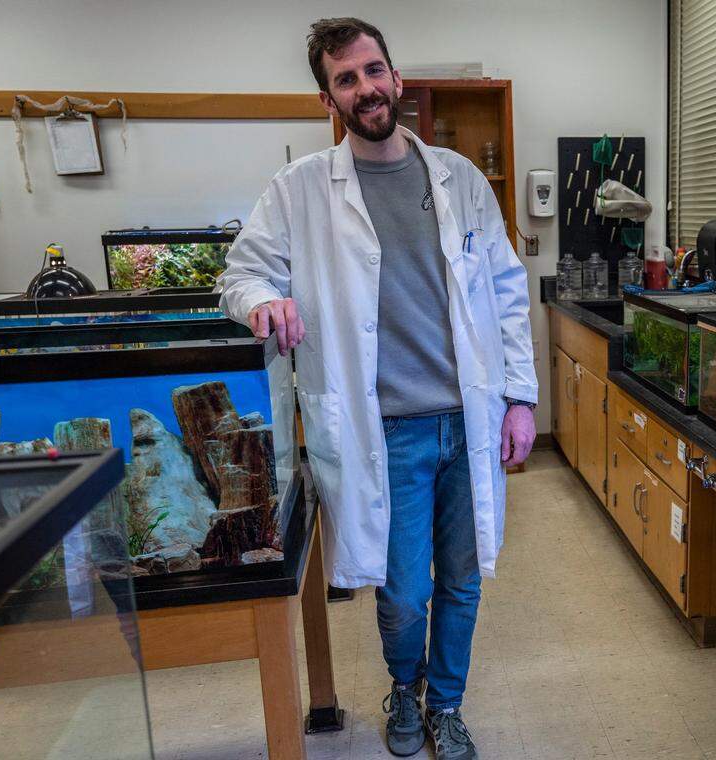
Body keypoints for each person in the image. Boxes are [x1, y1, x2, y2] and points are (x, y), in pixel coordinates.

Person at [218, 17, 537, 759]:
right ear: (328, 99)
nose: (365, 88)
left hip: (470, 418)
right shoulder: (300, 190)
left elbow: (506, 292)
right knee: (401, 595)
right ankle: (405, 687)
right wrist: (263, 301)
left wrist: (521, 398)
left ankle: (446, 704)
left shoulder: (458, 178)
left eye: (372, 71)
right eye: (345, 79)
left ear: (395, 78)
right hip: (383, 431)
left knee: (462, 579)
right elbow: (240, 274)